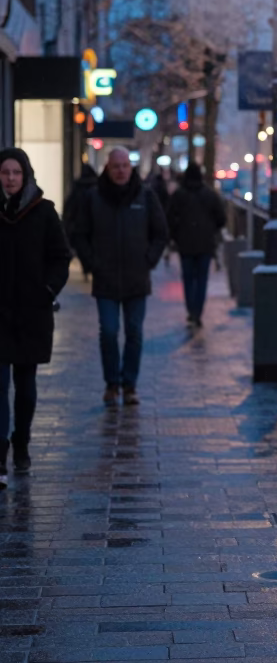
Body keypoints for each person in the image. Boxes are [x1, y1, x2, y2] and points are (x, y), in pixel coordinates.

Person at [72, 147, 168, 406]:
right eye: (116, 166)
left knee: (134, 332)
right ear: (108, 168)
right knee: (109, 331)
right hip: (105, 280)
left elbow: (161, 233)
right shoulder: (94, 197)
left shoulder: (146, 196)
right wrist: (91, 264)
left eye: (125, 165)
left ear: (131, 167)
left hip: (137, 279)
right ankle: (112, 383)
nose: (121, 170)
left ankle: (130, 384)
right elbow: (79, 233)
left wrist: (149, 260)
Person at [0, 148, 71, 486]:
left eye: (15, 173)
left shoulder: (43, 212)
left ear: (25, 175)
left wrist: (47, 291)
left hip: (32, 313)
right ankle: (0, 451)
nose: (10, 179)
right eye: (4, 173)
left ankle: (22, 442)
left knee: (25, 387)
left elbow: (60, 257)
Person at [166, 161, 226, 328]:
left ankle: (191, 310)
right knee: (201, 279)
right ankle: (197, 311)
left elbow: (170, 218)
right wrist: (210, 229)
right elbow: (221, 219)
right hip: (205, 244)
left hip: (185, 244)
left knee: (188, 278)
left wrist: (175, 236)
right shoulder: (210, 195)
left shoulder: (178, 195)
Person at [62, 163, 98, 277]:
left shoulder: (77, 188)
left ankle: (86, 267)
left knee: (81, 244)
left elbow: (70, 207)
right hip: (93, 223)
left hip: (78, 223)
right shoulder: (96, 188)